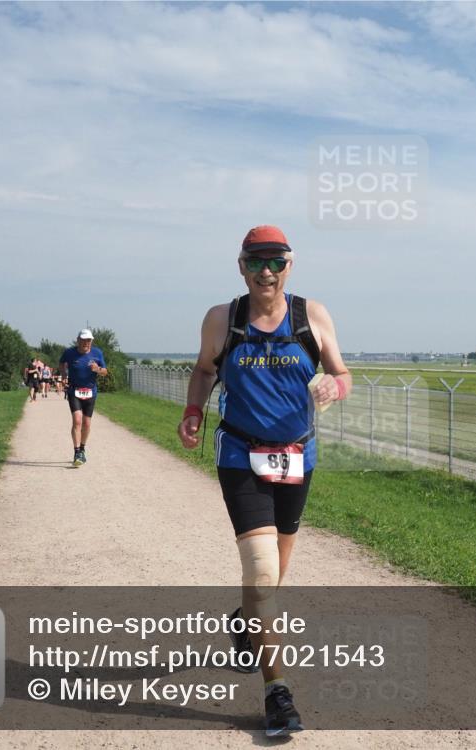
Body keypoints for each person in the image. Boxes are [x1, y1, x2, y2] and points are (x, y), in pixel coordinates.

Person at [177, 225, 351, 737]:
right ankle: (277, 691)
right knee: (260, 571)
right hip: (240, 454)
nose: (266, 271)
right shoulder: (221, 318)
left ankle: (243, 619)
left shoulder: (311, 316)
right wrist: (193, 408)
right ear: (241, 266)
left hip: (298, 456)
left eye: (276, 261)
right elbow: (205, 369)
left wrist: (332, 387)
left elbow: (343, 374)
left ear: (290, 266)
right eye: (256, 262)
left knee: (272, 579)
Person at [59, 329, 108, 467]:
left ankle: (82, 448)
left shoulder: (97, 353)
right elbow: (61, 363)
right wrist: (63, 375)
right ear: (78, 340)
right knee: (77, 420)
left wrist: (97, 369)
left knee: (87, 423)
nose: (86, 343)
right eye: (84, 340)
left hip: (91, 392)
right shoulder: (69, 353)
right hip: (74, 390)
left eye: (89, 340)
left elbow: (105, 371)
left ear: (91, 341)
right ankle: (76, 452)